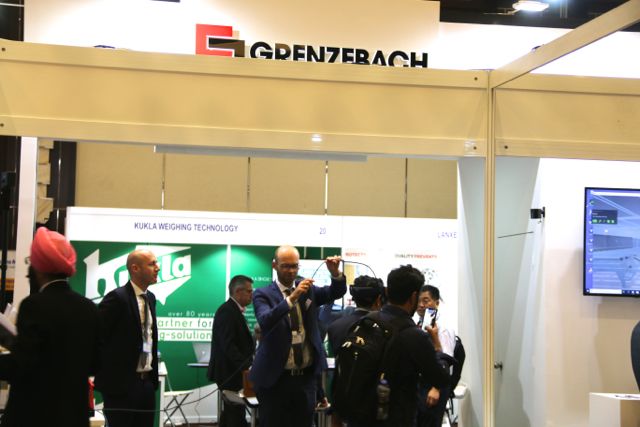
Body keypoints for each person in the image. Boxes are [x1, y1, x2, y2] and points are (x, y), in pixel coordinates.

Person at [0, 227, 100, 427]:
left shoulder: (33, 306)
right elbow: (95, 363)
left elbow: (22, 364)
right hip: (73, 416)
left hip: (34, 415)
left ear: (39, 268)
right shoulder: (88, 307)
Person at [249, 246, 346, 427]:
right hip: (275, 380)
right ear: (274, 265)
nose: (291, 271)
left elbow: (335, 292)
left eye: (294, 266)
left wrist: (335, 273)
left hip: (305, 379)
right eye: (285, 266)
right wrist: (292, 298)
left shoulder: (307, 289)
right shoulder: (263, 294)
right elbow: (265, 320)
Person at [365, 265, 447, 427]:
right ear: (414, 297)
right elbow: (441, 378)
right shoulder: (415, 335)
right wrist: (437, 345)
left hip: (364, 415)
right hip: (396, 417)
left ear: (387, 291)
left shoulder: (366, 322)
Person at [94, 249, 160, 427]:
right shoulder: (117, 298)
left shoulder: (150, 298)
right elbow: (97, 336)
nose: (158, 267)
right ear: (135, 268)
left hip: (146, 382)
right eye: (152, 263)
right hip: (121, 386)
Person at [208, 275, 256, 427]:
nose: (252, 294)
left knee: (232, 412)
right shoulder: (227, 311)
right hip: (230, 373)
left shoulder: (234, 311)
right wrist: (246, 367)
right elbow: (228, 346)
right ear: (238, 291)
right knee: (234, 413)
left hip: (234, 372)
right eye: (249, 291)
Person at [416, 284, 456, 427]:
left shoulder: (443, 327)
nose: (421, 305)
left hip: (435, 386)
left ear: (437, 302)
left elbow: (446, 360)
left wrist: (436, 388)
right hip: (422, 384)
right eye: (418, 301)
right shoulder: (421, 323)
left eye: (426, 300)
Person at [327, 275, 384, 356]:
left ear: (354, 298)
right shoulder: (385, 328)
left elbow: (331, 358)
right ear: (378, 300)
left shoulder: (334, 327)